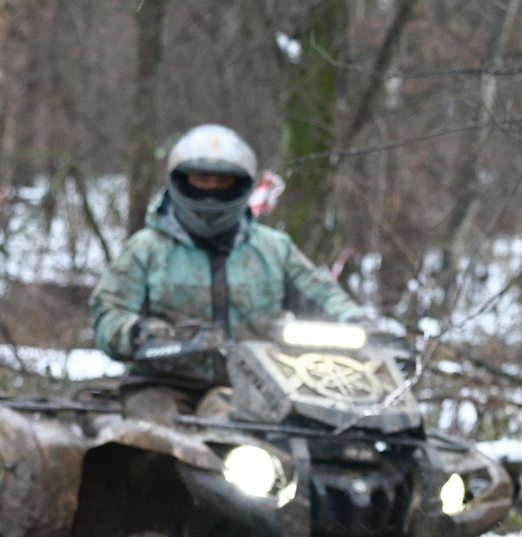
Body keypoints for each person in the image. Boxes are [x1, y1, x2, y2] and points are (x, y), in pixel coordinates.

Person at [88, 124, 367, 401]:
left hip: (262, 389)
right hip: (163, 386)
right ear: (182, 180)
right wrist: (143, 334)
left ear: (241, 185)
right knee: (143, 435)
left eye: (223, 181)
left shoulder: (273, 249)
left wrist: (361, 324)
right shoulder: (148, 248)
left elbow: (321, 294)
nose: (212, 190)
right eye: (202, 179)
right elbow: (108, 312)